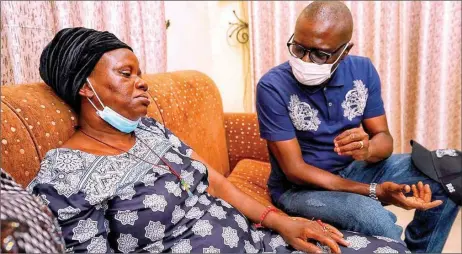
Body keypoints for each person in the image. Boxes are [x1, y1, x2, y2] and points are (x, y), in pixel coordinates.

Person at [25, 27, 410, 253]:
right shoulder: (65, 177)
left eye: (139, 71)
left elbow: (215, 181)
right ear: (84, 88)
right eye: (126, 74)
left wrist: (283, 223)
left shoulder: (149, 131)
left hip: (258, 242)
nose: (142, 81)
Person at [255, 1, 459, 253]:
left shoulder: (363, 70)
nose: (305, 60)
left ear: (345, 50)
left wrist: (368, 150)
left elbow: (384, 139)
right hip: (300, 189)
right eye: (298, 48)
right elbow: (295, 170)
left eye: (320, 54)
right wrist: (373, 191)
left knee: (450, 172)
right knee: (374, 217)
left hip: (354, 169)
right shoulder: (272, 87)